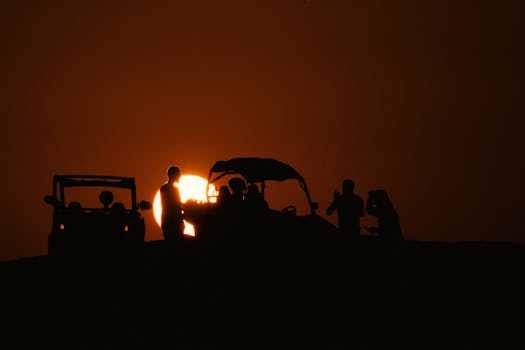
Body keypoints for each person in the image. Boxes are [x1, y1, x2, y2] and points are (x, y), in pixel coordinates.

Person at [159, 165, 184, 242]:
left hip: (168, 221)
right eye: (178, 174)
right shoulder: (169, 189)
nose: (180, 176)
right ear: (172, 175)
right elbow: (174, 205)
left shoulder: (164, 188)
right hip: (172, 222)